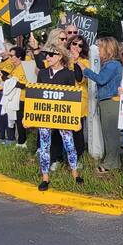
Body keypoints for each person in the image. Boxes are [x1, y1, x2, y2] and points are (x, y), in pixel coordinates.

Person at [35, 43, 82, 191]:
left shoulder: (68, 73)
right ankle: (45, 178)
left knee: (69, 145)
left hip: (63, 117)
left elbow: (73, 98)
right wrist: (29, 118)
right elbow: (37, 98)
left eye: (51, 55)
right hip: (45, 117)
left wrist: (76, 119)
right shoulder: (42, 73)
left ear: (60, 56)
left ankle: (75, 173)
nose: (47, 57)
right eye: (46, 55)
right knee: (44, 147)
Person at [81, 37, 123, 173]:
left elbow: (101, 79)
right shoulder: (111, 64)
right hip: (107, 101)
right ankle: (112, 161)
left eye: (100, 48)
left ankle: (111, 163)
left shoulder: (112, 65)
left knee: (110, 135)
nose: (98, 51)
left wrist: (85, 70)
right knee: (109, 134)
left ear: (108, 49)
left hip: (110, 102)